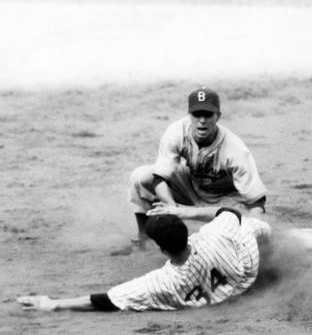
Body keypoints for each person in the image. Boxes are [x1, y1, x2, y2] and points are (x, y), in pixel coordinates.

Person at [18, 209, 270, 312]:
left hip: (217, 299)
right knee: (250, 226)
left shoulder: (164, 282)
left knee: (248, 228)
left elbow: (107, 300)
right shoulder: (214, 235)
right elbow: (230, 213)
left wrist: (55, 303)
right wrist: (186, 210)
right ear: (186, 231)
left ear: (161, 250)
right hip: (247, 277)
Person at [128, 87, 267, 247]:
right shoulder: (177, 132)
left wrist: (253, 230)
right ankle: (144, 237)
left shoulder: (235, 150)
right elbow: (159, 177)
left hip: (225, 200)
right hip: (190, 187)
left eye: (208, 114)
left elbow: (256, 201)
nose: (202, 120)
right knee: (140, 176)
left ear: (218, 116)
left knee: (238, 230)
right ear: (189, 115)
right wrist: (171, 207)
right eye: (196, 114)